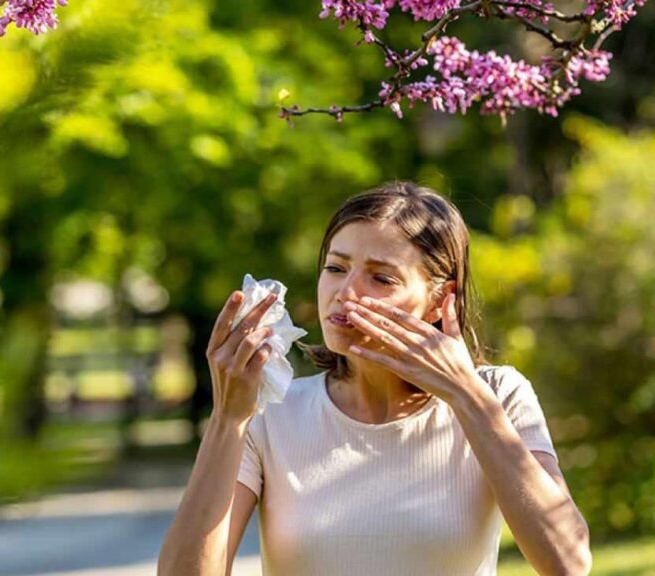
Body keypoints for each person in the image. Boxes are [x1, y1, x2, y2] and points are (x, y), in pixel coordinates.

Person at [158, 181, 592, 576]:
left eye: (380, 277)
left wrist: (466, 395)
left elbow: (568, 563)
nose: (345, 293)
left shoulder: (499, 395)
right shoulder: (273, 413)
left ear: (440, 299)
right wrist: (227, 419)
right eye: (335, 268)